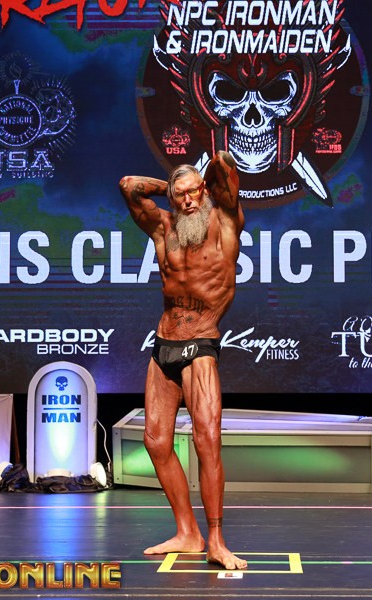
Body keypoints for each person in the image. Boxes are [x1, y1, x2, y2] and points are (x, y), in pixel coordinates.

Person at [119, 151, 247, 570]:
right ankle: (187, 532)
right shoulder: (163, 227)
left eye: (195, 193)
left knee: (206, 441)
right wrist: (170, 186)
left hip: (200, 343)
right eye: (182, 196)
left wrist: (202, 177)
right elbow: (129, 186)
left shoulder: (225, 222)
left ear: (205, 191)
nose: (189, 201)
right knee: (156, 442)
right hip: (165, 343)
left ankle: (216, 540)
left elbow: (225, 168)